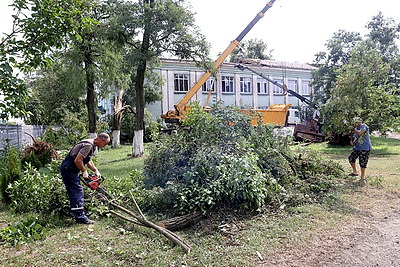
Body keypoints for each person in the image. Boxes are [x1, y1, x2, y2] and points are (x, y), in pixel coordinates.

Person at [60, 133, 110, 224]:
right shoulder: (88, 145)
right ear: (101, 140)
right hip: (68, 168)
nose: (104, 146)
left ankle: (78, 214)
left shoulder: (91, 145)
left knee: (75, 190)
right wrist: (84, 171)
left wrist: (95, 171)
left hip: (70, 169)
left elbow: (88, 161)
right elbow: (78, 160)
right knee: (77, 190)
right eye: (105, 144)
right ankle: (80, 217)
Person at [348, 117, 372, 182]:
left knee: (363, 162)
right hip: (357, 147)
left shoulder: (364, 126)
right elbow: (356, 137)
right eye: (355, 122)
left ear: (360, 121)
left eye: (356, 121)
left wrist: (353, 129)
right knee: (351, 158)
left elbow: (360, 133)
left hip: (365, 147)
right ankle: (355, 172)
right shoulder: (356, 128)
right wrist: (353, 142)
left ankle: (362, 177)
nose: (355, 123)